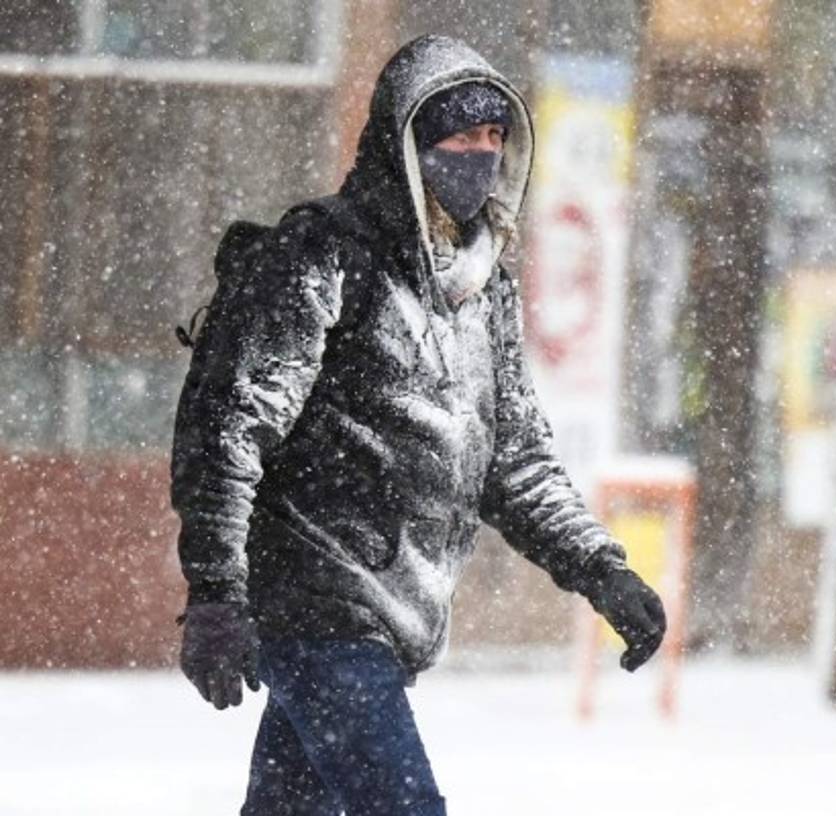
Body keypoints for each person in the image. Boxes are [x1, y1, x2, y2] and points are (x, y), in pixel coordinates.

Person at [170, 34, 667, 816]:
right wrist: (216, 590)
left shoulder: (483, 289)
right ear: (407, 141)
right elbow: (235, 430)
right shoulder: (326, 255)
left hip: (395, 615)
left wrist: (605, 572)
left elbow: (516, 463)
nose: (479, 154)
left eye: (495, 137)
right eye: (459, 136)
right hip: (318, 603)